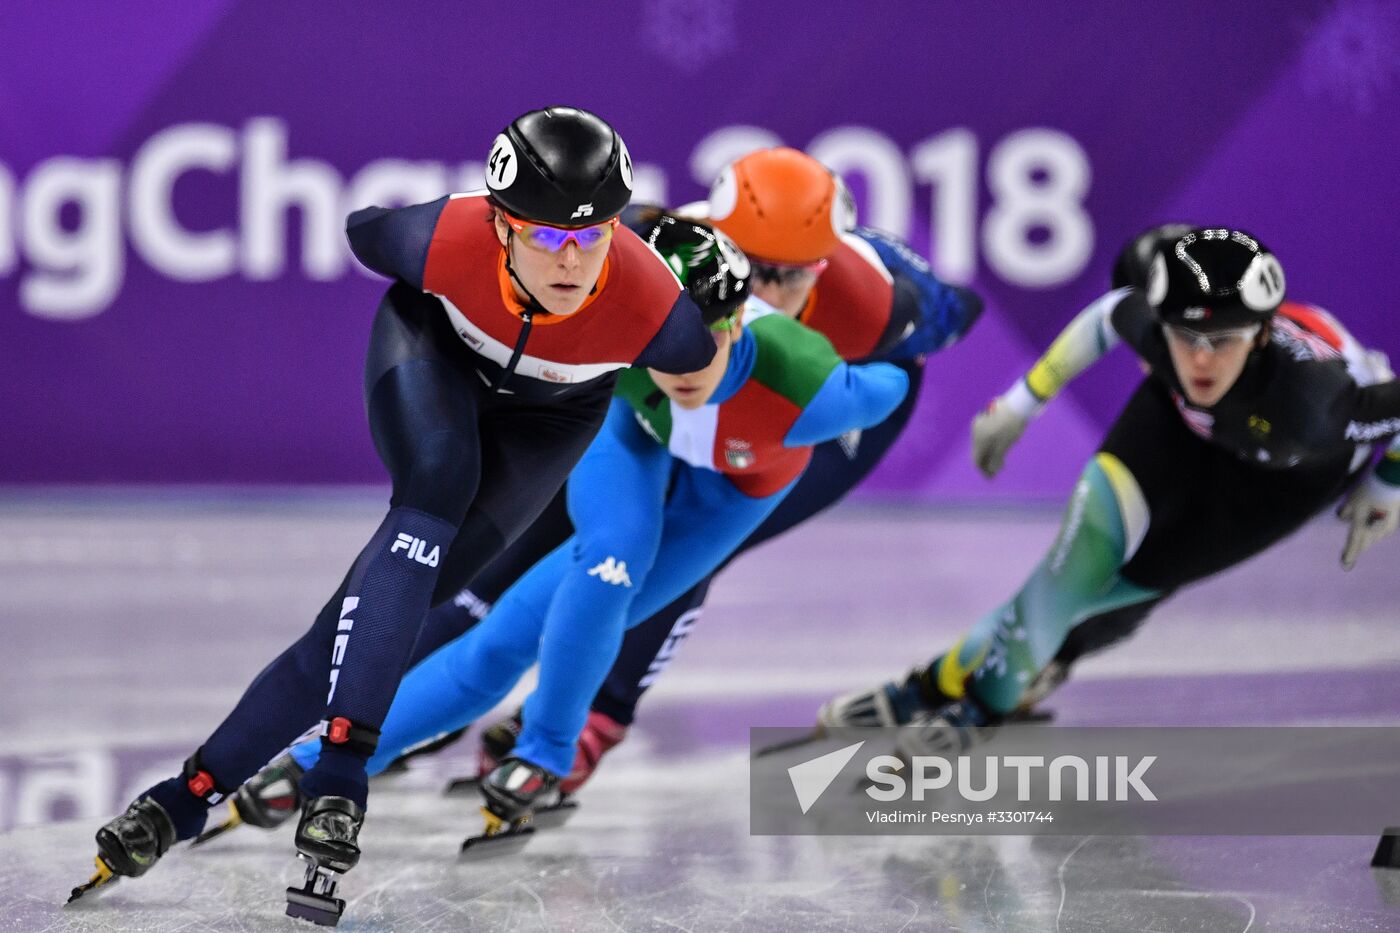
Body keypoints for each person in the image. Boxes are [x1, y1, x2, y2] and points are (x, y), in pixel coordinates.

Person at [70, 107, 717, 917]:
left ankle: (183, 796)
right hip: (432, 354)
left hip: (552, 415)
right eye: (545, 235)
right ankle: (342, 771)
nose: (570, 258)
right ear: (500, 224)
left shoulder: (655, 308)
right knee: (436, 482)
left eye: (591, 238)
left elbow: (704, 362)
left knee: (380, 609)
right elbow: (360, 228)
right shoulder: (442, 239)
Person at [287, 209, 912, 853]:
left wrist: (899, 318)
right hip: (633, 433)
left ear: (735, 323)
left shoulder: (810, 386)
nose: (682, 367)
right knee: (582, 580)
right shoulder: (613, 335)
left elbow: (894, 381)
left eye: (706, 343)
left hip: (734, 489)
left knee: (583, 603)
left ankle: (544, 752)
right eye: (665, 345)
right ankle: (329, 756)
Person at [398, 146, 983, 793]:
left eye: (789, 276)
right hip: (689, 381)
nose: (763, 290)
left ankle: (598, 721)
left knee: (689, 546)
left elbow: (964, 310)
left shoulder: (884, 302)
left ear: (823, 265)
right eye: (751, 267)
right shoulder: (658, 242)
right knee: (558, 516)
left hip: (809, 405)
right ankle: (418, 694)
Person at [818, 224, 1400, 755]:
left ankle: (952, 686)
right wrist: (1023, 403)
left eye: (1222, 340)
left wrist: (1386, 481)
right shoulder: (1160, 330)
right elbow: (1106, 317)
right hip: (1181, 424)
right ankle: (961, 699)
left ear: (1261, 336)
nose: (1199, 356)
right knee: (1067, 575)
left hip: (1284, 476)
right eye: (1183, 336)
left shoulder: (1316, 404)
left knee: (1112, 593)